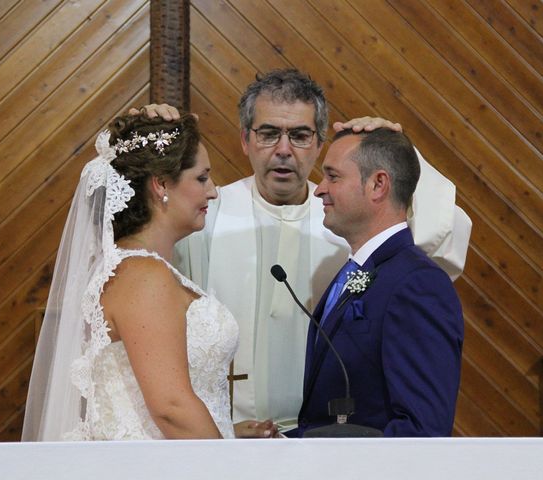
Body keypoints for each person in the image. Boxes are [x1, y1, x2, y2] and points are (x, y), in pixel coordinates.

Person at [139, 68, 471, 430]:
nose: (283, 150)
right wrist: (144, 141)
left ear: (318, 142)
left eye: (299, 135)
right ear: (245, 140)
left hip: (320, 439)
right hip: (219, 432)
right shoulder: (201, 214)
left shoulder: (346, 218)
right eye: (268, 134)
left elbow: (441, 233)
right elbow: (129, 247)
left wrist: (393, 145)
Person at [22, 112, 275, 440]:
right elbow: (171, 407)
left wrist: (227, 433)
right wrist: (225, 467)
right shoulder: (143, 276)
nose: (212, 192)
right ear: (161, 184)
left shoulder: (135, 269)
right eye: (202, 178)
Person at [292, 128, 464, 437]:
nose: (319, 190)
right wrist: (279, 443)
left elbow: (422, 430)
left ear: (378, 185)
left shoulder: (418, 285)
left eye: (333, 177)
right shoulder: (357, 271)